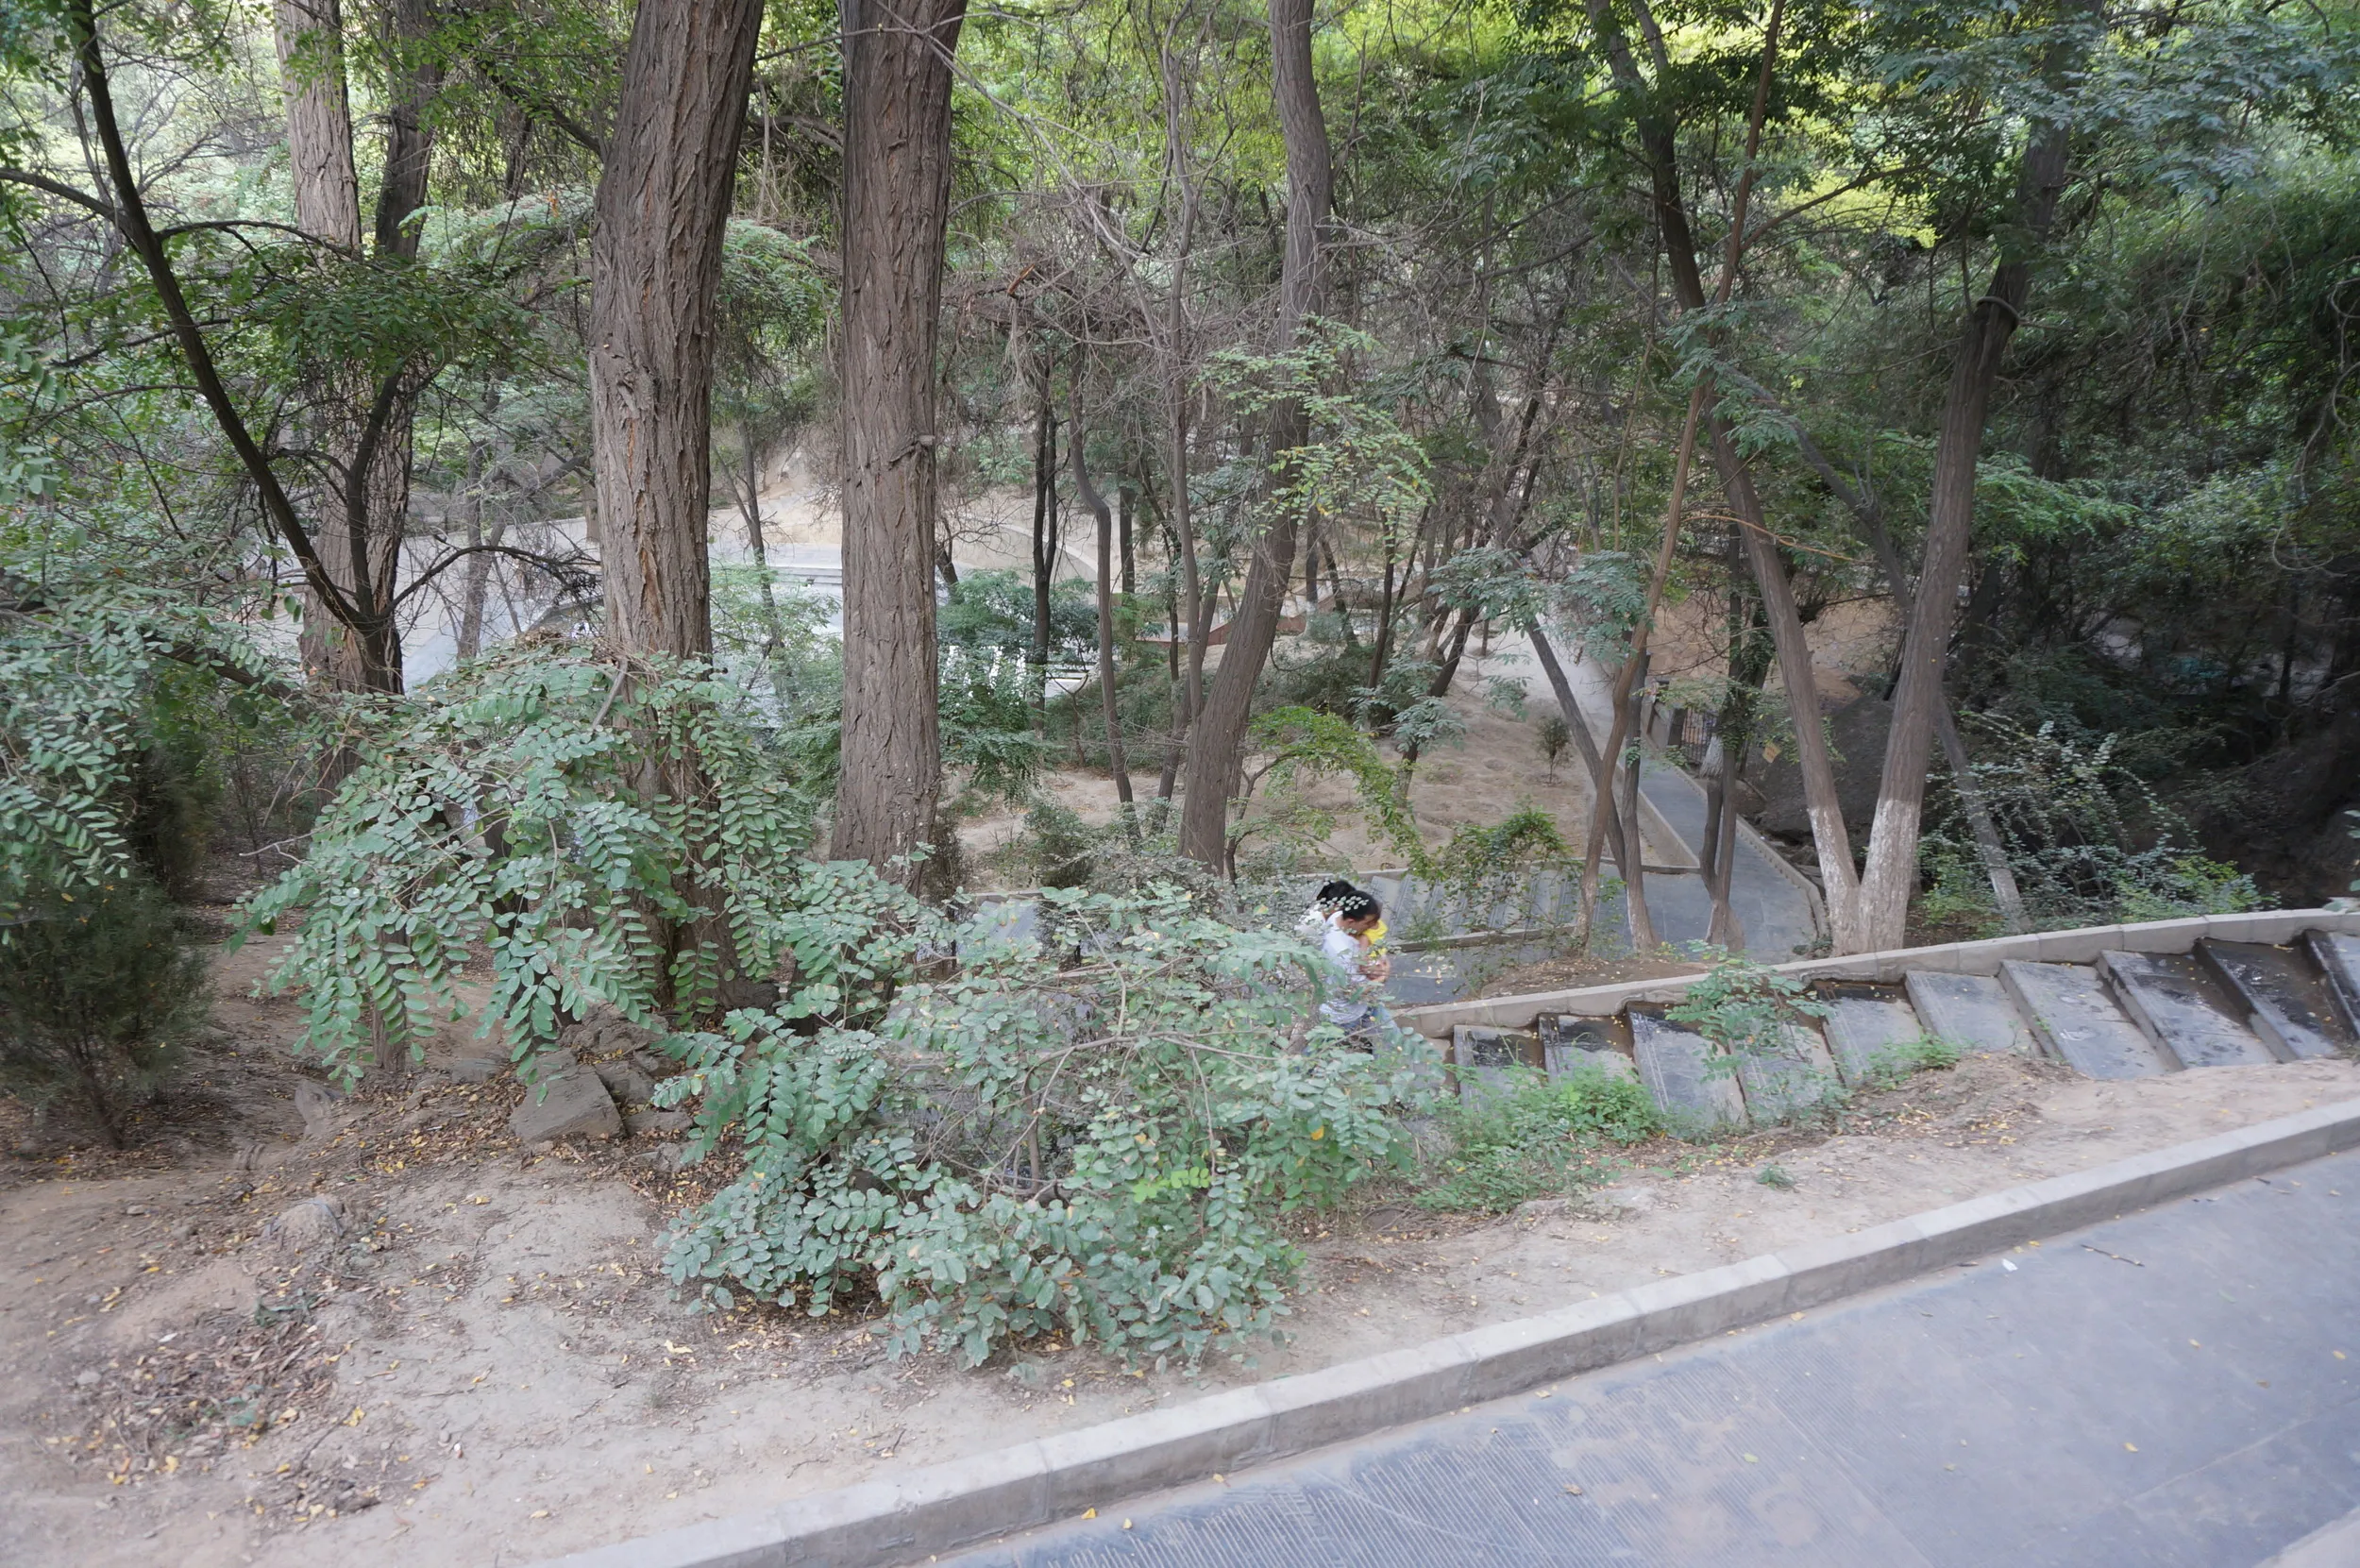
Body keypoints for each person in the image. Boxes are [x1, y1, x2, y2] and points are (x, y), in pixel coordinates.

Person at [1318, 890, 1398, 1042]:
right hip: (1344, 1015)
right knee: (1321, 1048)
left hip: (1366, 1004)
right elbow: (1354, 993)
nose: (1372, 927)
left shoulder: (1337, 917)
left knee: (1393, 1039)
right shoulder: (1341, 954)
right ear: (1351, 921)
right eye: (1367, 923)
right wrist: (1383, 976)